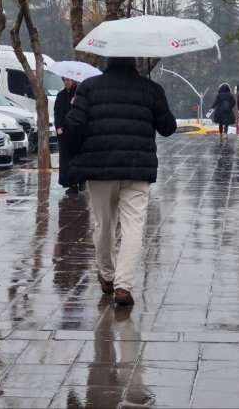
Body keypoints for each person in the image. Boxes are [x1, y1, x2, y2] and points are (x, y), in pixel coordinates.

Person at [63, 56, 176, 306]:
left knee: (104, 223)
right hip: (138, 168)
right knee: (134, 226)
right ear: (135, 63)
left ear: (108, 62)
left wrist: (77, 157)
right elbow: (168, 127)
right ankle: (123, 286)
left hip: (100, 167)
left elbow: (74, 125)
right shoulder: (150, 89)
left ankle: (107, 275)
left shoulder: (89, 87)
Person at [54, 77, 81, 194]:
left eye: (68, 80)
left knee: (75, 157)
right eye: (64, 80)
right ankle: (69, 182)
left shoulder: (78, 94)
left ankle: (78, 181)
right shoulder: (60, 95)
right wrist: (58, 127)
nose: (66, 82)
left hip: (75, 131)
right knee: (65, 158)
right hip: (64, 132)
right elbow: (57, 112)